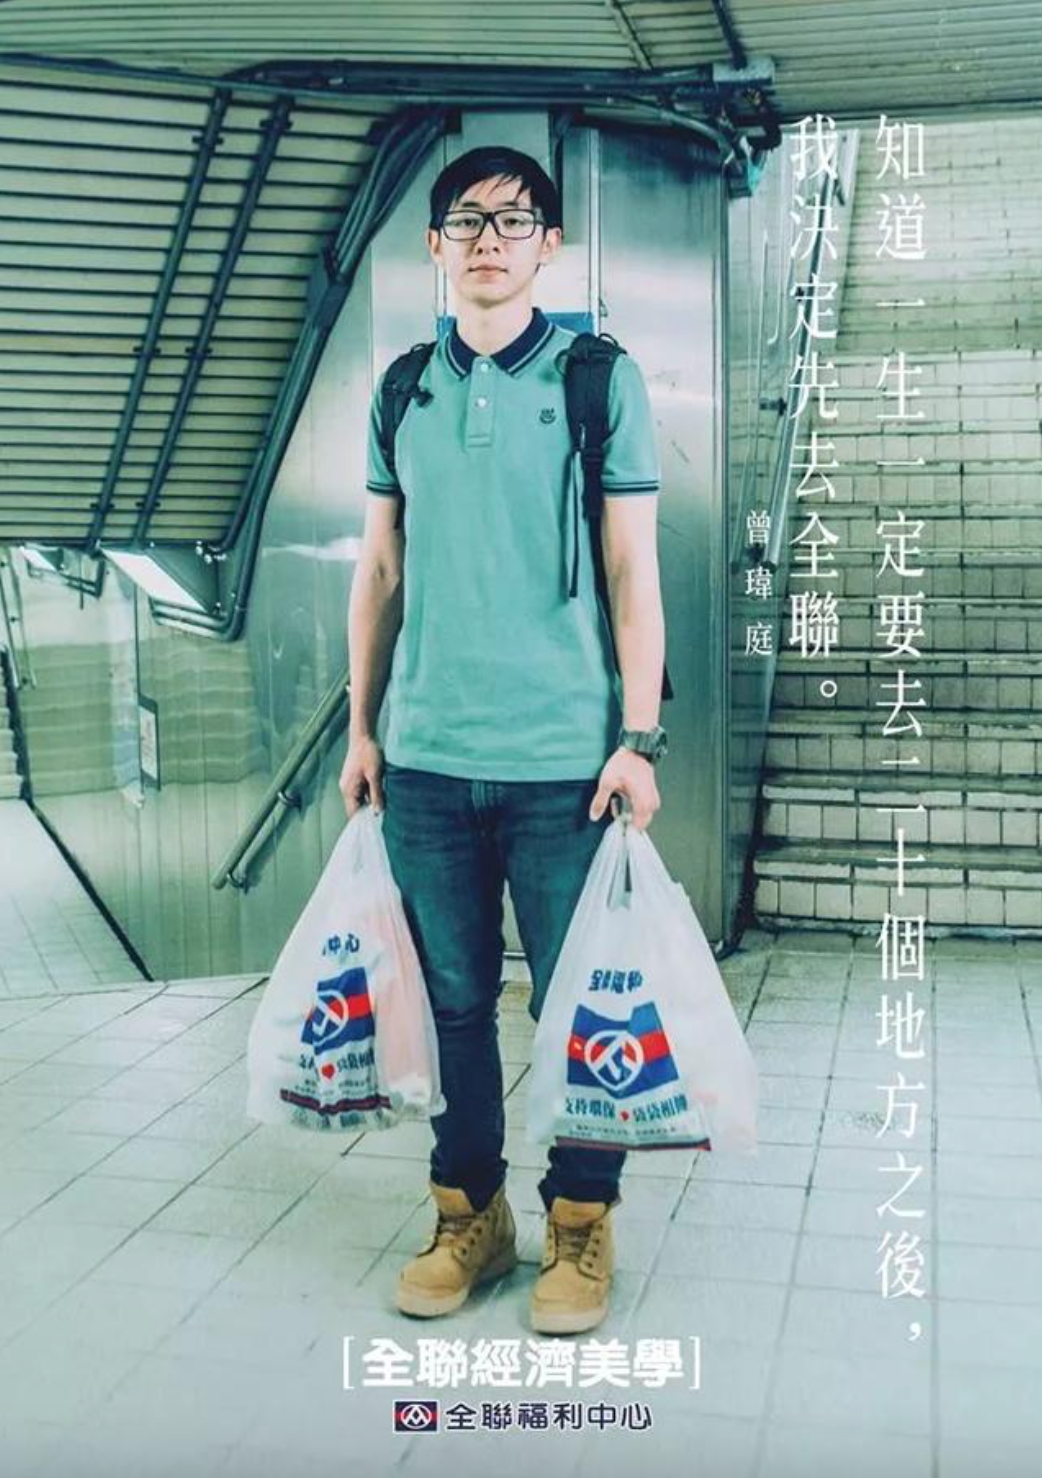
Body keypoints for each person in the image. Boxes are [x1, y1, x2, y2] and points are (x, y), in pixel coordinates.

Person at [339, 144, 667, 1335]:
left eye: (514, 220)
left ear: (548, 244)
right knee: (452, 1002)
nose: (489, 238)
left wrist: (639, 736)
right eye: (467, 220)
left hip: (564, 765)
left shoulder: (597, 378)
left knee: (579, 1000)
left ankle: (581, 1219)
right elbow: (381, 567)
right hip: (426, 756)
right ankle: (468, 1212)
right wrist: (362, 725)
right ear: (434, 246)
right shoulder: (401, 387)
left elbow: (630, 567)